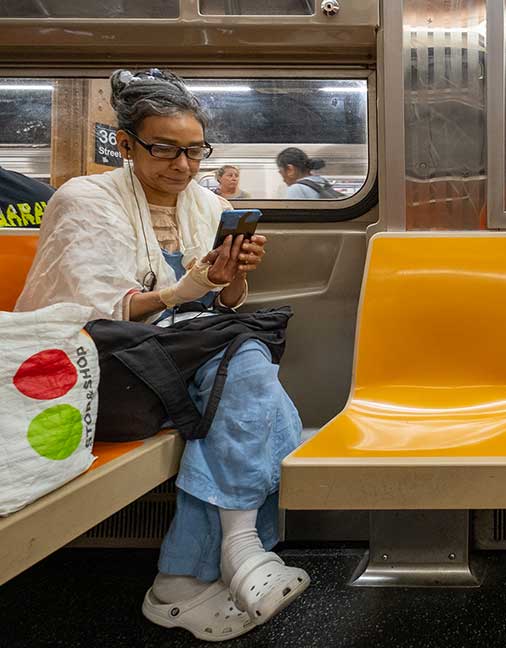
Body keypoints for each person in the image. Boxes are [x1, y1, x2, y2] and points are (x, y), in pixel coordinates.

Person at [15, 68, 306, 642]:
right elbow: (94, 313)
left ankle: (188, 578)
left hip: (178, 351)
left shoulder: (203, 203)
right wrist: (187, 290)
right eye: (165, 150)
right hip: (99, 364)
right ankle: (235, 552)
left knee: (243, 365)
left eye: (195, 151)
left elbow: (216, 305)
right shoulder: (85, 200)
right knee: (250, 369)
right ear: (125, 145)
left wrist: (228, 280)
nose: (183, 166)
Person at [275, 147, 341, 199]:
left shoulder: (297, 189)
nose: (283, 180)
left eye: (282, 173)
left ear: (290, 169)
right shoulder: (322, 181)